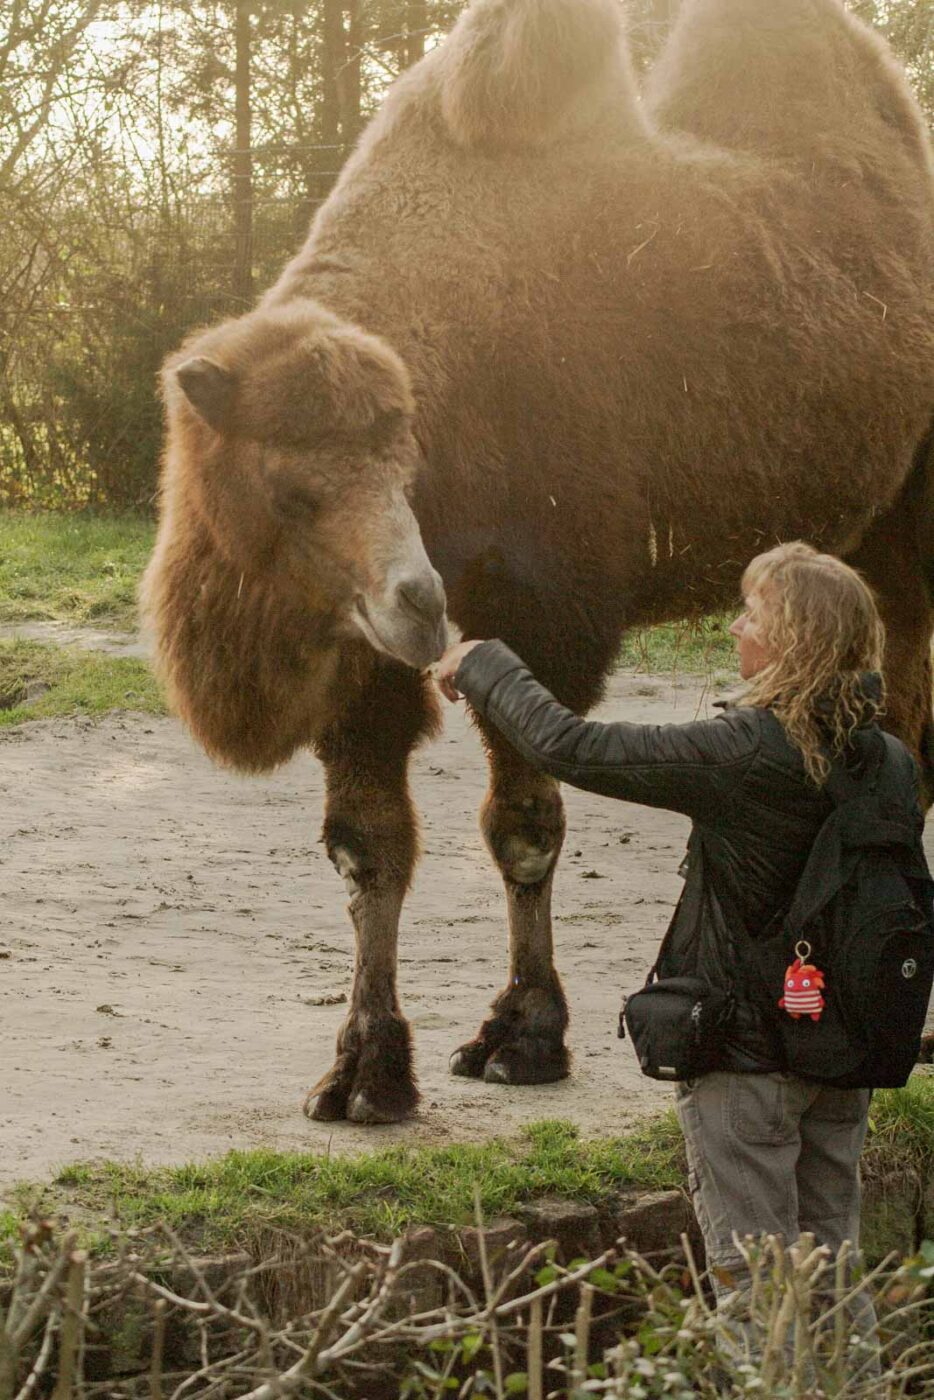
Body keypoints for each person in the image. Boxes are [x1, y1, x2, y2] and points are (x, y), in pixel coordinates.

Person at [436, 541, 919, 1367]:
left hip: (744, 1068)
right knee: (833, 1281)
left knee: (756, 1293)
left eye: (754, 615)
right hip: (840, 1059)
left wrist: (483, 662)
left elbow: (570, 747)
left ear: (792, 642)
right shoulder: (892, 762)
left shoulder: (745, 754)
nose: (735, 628)